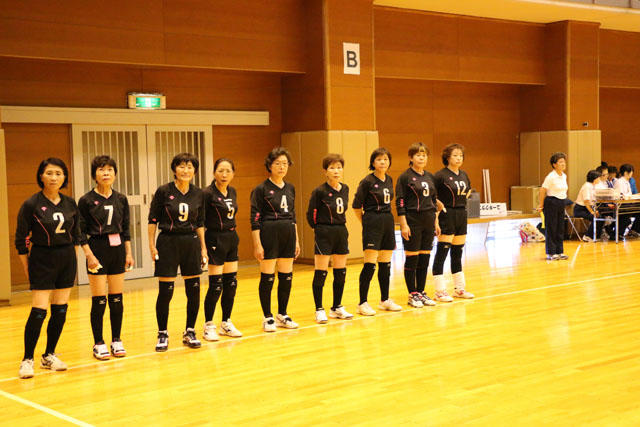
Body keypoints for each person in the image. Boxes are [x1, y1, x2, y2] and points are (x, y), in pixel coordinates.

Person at [15, 158, 82, 378]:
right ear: (41, 176)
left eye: (58, 173)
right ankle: (27, 359)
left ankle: (49, 355)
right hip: (42, 258)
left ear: (65, 177)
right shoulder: (31, 204)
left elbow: (77, 235)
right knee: (39, 310)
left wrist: (76, 259)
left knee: (60, 308)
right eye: (49, 173)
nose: (54, 177)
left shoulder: (70, 203)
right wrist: (27, 266)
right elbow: (21, 239)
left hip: (66, 257)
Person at [148, 153, 207, 351]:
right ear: (174, 169)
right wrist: (151, 245)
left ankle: (190, 331)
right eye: (181, 166)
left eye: (190, 167)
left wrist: (203, 248)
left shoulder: (199, 194)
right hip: (168, 241)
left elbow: (200, 223)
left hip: (191, 242)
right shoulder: (164, 191)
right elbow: (153, 220)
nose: (185, 170)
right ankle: (162, 333)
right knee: (166, 291)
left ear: (195, 171)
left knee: (194, 289)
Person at [78, 156, 134, 360]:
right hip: (97, 248)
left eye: (110, 169)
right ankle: (99, 342)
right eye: (101, 170)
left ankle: (116, 340)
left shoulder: (121, 199)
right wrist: (89, 255)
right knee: (99, 300)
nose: (106, 173)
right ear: (94, 175)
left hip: (117, 249)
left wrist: (129, 253)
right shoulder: (86, 200)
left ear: (115, 174)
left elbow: (125, 229)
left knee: (116, 298)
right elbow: (80, 231)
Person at [251, 147, 301, 332]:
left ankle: (282, 314)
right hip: (269, 233)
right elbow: (255, 218)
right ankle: (267, 317)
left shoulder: (290, 188)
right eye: (278, 163)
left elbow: (293, 216)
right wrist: (257, 244)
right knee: (267, 276)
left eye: (285, 164)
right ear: (270, 166)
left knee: (286, 276)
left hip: (288, 233)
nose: (282, 167)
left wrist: (296, 240)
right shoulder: (261, 189)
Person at [352, 147, 401, 316]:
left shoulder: (389, 179)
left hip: (387, 220)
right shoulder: (367, 181)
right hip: (372, 220)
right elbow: (356, 206)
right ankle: (362, 302)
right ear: (373, 162)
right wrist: (366, 222)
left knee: (385, 263)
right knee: (370, 263)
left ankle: (384, 299)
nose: (383, 162)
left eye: (385, 159)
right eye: (379, 159)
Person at [306, 154, 352, 323]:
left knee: (340, 271)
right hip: (324, 232)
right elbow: (311, 215)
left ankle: (336, 307)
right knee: (321, 272)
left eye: (339, 167)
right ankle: (319, 309)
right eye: (332, 168)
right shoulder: (319, 191)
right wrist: (319, 229)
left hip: (341, 230)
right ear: (325, 171)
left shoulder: (345, 188)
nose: (336, 171)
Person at [396, 142, 441, 308]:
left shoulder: (430, 177)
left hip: (428, 220)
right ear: (411, 157)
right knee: (412, 258)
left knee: (424, 258)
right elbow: (400, 201)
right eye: (418, 155)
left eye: (424, 155)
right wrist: (403, 224)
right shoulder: (405, 177)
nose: (421, 158)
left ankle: (421, 292)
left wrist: (436, 222)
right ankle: (412, 293)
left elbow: (434, 201)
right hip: (412, 220)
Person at [202, 158, 242, 340]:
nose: (224, 174)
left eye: (228, 171)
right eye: (220, 171)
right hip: (214, 238)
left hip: (231, 237)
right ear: (214, 173)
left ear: (233, 174)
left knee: (231, 283)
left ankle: (226, 322)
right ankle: (209, 324)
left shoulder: (232, 191)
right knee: (216, 285)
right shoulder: (207, 193)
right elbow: (200, 220)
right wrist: (202, 247)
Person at [431, 144, 475, 301]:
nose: (458, 158)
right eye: (455, 155)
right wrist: (436, 217)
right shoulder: (440, 176)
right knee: (442, 253)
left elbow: (468, 191)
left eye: (461, 155)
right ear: (447, 157)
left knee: (457, 253)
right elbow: (432, 196)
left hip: (461, 214)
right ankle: (439, 291)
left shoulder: (464, 175)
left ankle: (459, 289)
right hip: (446, 214)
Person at [538, 152, 569, 260]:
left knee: (560, 228)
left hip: (561, 202)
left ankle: (559, 251)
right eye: (560, 162)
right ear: (554, 164)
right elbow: (542, 190)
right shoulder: (551, 176)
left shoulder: (564, 176)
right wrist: (541, 205)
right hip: (551, 202)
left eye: (564, 161)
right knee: (552, 228)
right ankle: (551, 253)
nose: (563, 164)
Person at [573, 170, 603, 242]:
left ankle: (596, 236)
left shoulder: (593, 186)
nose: (599, 179)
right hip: (580, 209)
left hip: (588, 208)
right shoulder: (587, 186)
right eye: (598, 178)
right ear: (595, 178)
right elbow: (586, 201)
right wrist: (592, 212)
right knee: (595, 217)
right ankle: (587, 236)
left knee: (601, 216)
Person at [613, 164, 640, 239]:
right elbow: (621, 195)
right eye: (631, 172)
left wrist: (636, 195)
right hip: (621, 205)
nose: (632, 174)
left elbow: (629, 194)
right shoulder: (619, 182)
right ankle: (617, 232)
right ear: (625, 173)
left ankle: (635, 230)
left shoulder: (627, 182)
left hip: (628, 204)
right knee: (627, 214)